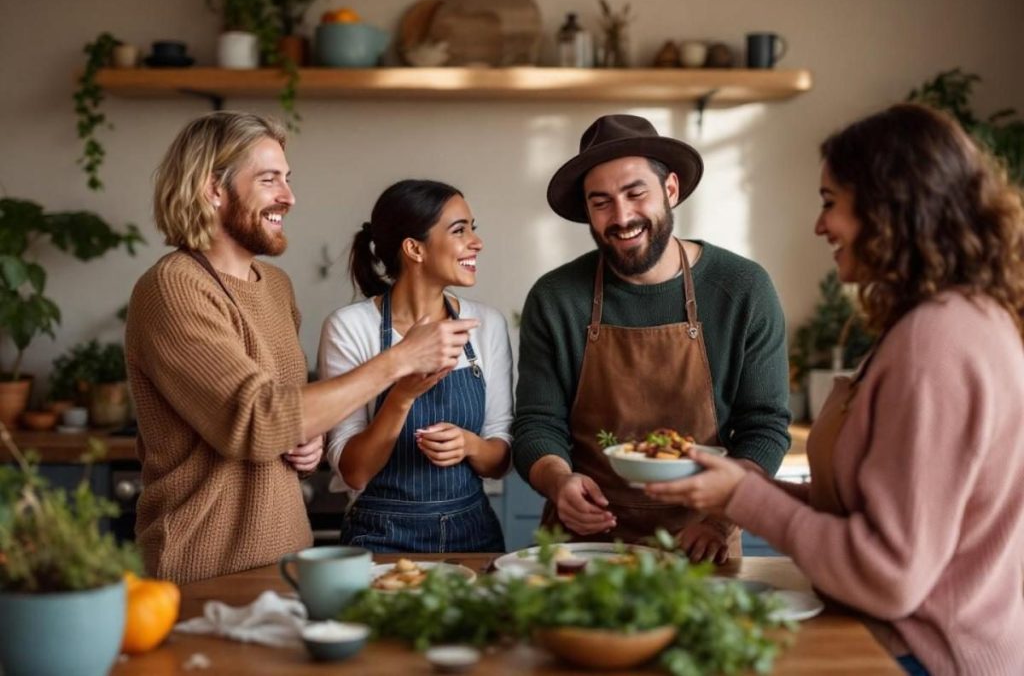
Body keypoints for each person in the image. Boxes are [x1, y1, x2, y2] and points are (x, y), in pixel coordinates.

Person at [648, 103, 1024, 676]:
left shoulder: (936, 341)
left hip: (926, 656)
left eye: (830, 203)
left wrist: (745, 500)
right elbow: (876, 515)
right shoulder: (954, 319)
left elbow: (890, 576)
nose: (820, 226)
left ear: (889, 205)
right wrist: (750, 485)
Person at [125, 114, 477, 584]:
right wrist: (400, 358)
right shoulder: (173, 287)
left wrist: (307, 439)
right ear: (213, 189)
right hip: (202, 568)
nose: (288, 197)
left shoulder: (273, 286)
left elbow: (286, 415)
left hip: (287, 558)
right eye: (269, 180)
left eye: (287, 180)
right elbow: (258, 420)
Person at [512, 114, 791, 563]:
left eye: (635, 193)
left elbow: (764, 427)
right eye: (600, 202)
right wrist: (558, 482)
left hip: (702, 543)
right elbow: (537, 424)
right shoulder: (556, 297)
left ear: (671, 190)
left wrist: (720, 517)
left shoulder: (742, 288)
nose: (621, 217)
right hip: (583, 547)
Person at [318, 179, 511, 553]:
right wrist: (401, 396)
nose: (477, 242)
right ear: (414, 249)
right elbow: (354, 472)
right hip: (380, 537)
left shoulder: (486, 324)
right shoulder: (351, 327)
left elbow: (500, 457)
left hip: (473, 533)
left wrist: (470, 445)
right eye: (460, 230)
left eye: (473, 228)